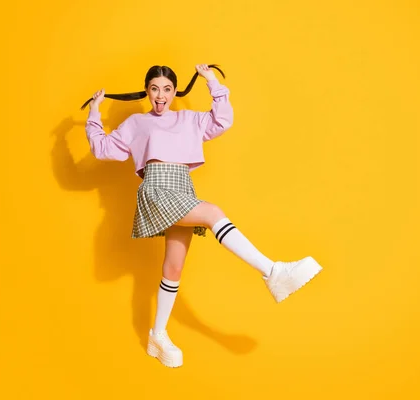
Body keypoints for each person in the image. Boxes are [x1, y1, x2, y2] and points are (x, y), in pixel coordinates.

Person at [82, 64, 323, 368]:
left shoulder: (188, 120)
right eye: (154, 89)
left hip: (183, 186)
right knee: (212, 213)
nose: (160, 96)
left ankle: (157, 334)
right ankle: (273, 272)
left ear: (174, 91)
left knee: (174, 266)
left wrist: (211, 81)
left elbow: (222, 120)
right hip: (157, 187)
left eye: (167, 89)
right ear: (147, 91)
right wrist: (94, 113)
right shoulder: (137, 123)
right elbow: (103, 148)